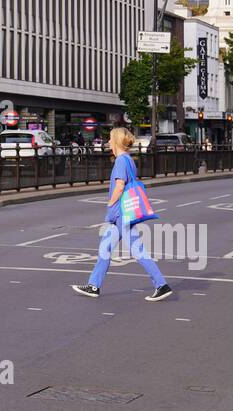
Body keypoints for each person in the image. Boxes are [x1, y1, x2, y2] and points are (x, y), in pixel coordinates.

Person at [72, 126, 173, 302]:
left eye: (111, 139)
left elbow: (120, 185)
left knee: (137, 249)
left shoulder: (120, 161)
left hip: (121, 214)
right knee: (105, 248)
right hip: (122, 214)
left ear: (116, 141)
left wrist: (110, 202)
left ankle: (161, 284)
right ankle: (93, 285)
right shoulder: (128, 160)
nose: (109, 142)